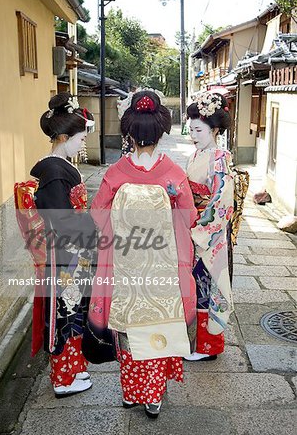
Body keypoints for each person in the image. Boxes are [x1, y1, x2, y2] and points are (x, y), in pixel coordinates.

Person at [88, 90, 197, 418]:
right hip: (163, 270)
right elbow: (188, 217)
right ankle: (152, 395)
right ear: (160, 132)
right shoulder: (173, 174)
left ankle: (132, 393)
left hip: (127, 269)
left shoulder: (117, 173)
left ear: (129, 134)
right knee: (158, 325)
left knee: (129, 326)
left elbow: (97, 213)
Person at [14, 92, 97, 397]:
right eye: (78, 137)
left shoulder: (57, 165)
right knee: (64, 313)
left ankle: (73, 367)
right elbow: (61, 220)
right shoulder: (52, 170)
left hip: (71, 253)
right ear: (63, 137)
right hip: (63, 255)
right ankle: (63, 379)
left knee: (74, 310)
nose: (82, 143)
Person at [184, 92, 234, 361]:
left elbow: (222, 199)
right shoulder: (196, 155)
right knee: (196, 284)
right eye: (190, 129)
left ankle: (208, 347)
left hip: (208, 234)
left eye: (199, 129)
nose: (193, 134)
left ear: (214, 129)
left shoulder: (219, 158)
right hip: (193, 227)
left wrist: (201, 231)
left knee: (207, 285)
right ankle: (198, 342)